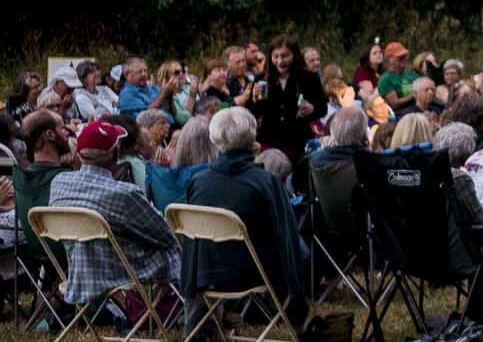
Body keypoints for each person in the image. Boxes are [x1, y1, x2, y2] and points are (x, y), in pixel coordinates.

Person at [183, 107, 308, 327]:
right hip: (253, 272)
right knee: (300, 246)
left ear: (214, 139)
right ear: (252, 137)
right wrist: (297, 301)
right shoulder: (265, 182)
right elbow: (287, 238)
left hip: (206, 273)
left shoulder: (198, 181)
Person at [49, 121, 180, 310]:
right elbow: (165, 234)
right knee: (175, 248)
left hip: (79, 273)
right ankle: (178, 308)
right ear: (116, 154)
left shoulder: (59, 184)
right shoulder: (123, 194)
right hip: (119, 272)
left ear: (79, 153)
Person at [254, 36, 324, 167]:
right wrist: (254, 99)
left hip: (298, 143)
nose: (280, 61)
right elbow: (254, 112)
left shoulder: (309, 78)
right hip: (270, 144)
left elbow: (322, 108)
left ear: (295, 55)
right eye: (276, 56)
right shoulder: (262, 78)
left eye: (285, 56)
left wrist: (312, 109)